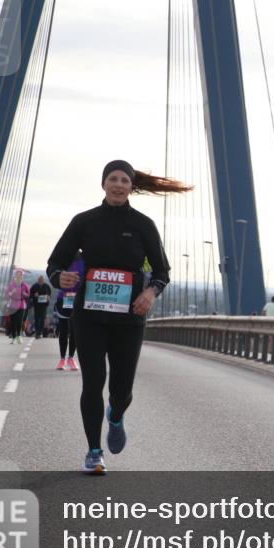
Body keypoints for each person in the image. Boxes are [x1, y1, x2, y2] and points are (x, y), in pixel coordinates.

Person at [47, 160, 187, 475]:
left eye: (125, 180)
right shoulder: (84, 222)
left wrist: (150, 294)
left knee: (121, 390)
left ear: (131, 187)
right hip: (90, 317)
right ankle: (94, 452)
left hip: (129, 319)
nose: (119, 184)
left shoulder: (143, 225)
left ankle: (116, 416)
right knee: (92, 381)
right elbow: (54, 263)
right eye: (113, 178)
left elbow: (162, 271)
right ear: (103, 184)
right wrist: (60, 278)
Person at [54, 252, 83, 371]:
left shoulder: (84, 258)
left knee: (75, 330)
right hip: (64, 298)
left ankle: (71, 358)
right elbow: (55, 275)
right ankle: (62, 359)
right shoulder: (63, 257)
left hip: (78, 298)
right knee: (64, 330)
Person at [5, 269, 29, 345]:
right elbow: (7, 294)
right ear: (15, 276)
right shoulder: (11, 285)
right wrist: (12, 293)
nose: (18, 276)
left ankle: (18, 335)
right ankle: (14, 337)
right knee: (13, 322)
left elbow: (28, 295)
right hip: (12, 304)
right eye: (17, 275)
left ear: (22, 276)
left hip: (21, 305)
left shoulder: (25, 285)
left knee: (19, 321)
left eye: (20, 275)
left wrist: (24, 294)